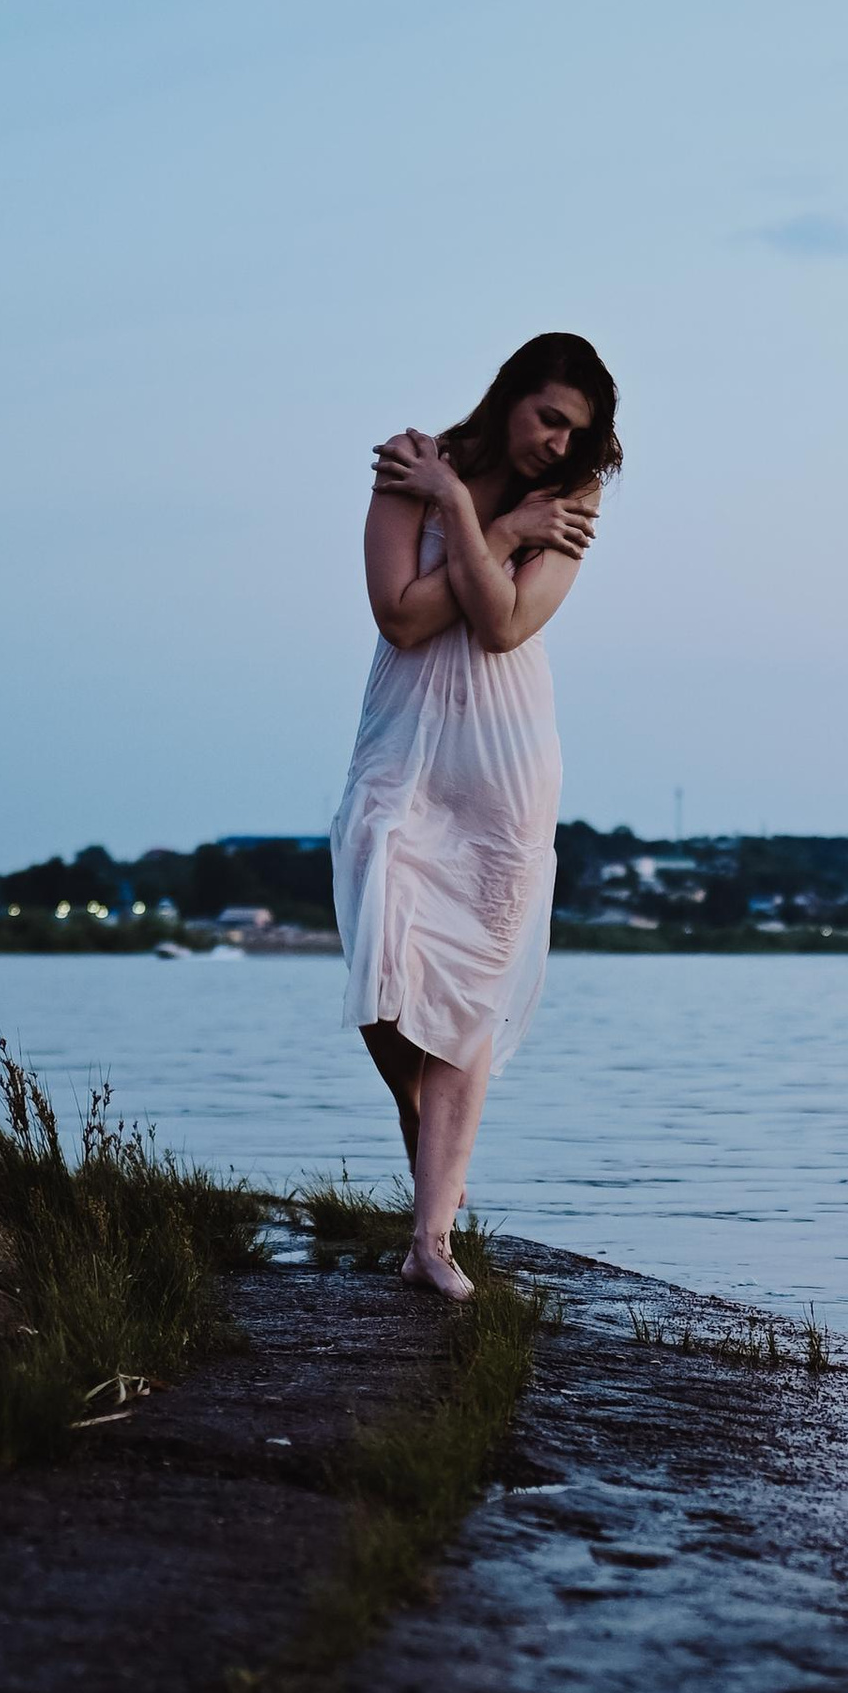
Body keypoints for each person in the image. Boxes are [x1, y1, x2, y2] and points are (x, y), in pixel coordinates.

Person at [329, 332, 620, 1297]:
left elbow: (501, 626)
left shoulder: (571, 504)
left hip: (503, 758)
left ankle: (430, 1242)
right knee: (384, 959)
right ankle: (434, 1174)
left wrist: (477, 530)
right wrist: (475, 515)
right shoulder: (416, 470)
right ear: (508, 397)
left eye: (575, 433)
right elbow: (402, 617)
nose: (556, 445)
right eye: (548, 418)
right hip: (403, 750)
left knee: (469, 999)